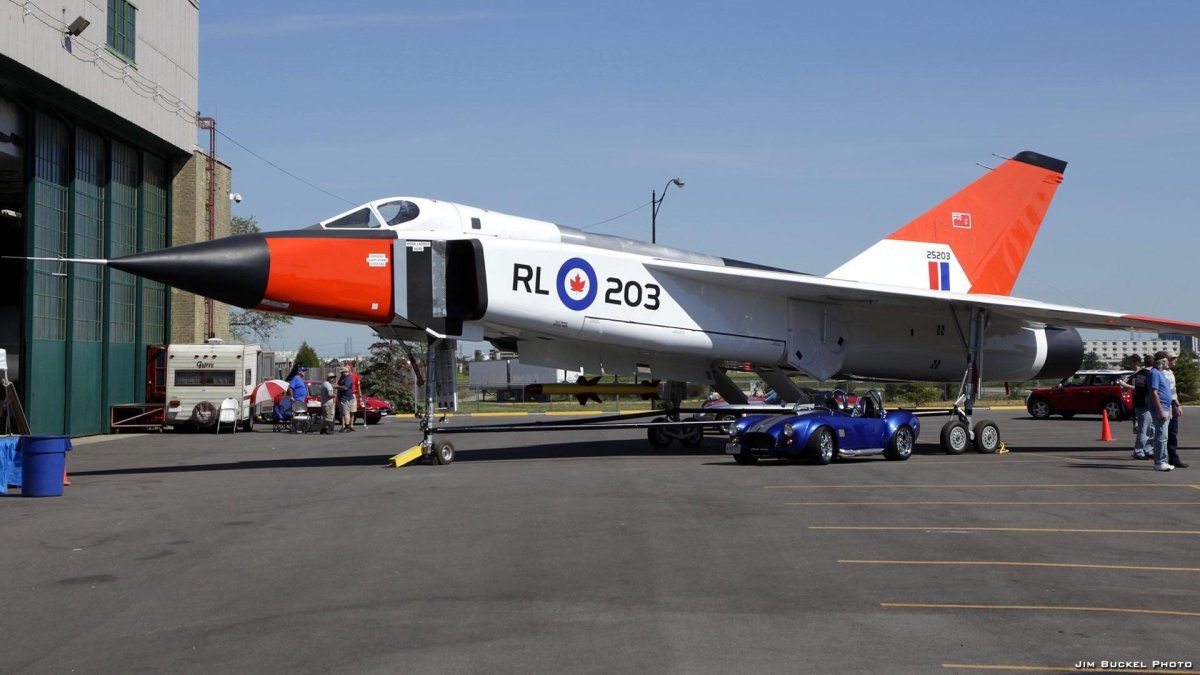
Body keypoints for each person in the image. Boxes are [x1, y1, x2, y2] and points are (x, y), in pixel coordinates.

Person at [1121, 354, 1154, 460]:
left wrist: (1125, 385)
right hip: (1142, 404)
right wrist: (1125, 385)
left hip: (1150, 404)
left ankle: (1148, 449)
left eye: (1131, 362)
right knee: (1144, 429)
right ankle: (1139, 451)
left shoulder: (1145, 373)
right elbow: (1138, 388)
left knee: (1151, 429)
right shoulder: (1140, 374)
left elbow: (1133, 388)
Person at [1146, 354, 1174, 471]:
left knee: (1164, 436)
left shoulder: (1161, 373)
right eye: (1167, 360)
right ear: (1162, 361)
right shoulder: (1154, 373)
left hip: (1166, 408)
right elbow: (1154, 393)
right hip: (1160, 409)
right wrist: (1161, 410)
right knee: (1161, 436)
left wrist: (1170, 408)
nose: (1169, 362)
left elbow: (1166, 392)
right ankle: (1160, 462)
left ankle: (1163, 461)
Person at [1163, 350, 1188, 469]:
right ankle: (1162, 459)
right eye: (1172, 358)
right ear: (1167, 360)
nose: (1175, 360)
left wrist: (1178, 404)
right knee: (1164, 434)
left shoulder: (1170, 372)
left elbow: (1173, 390)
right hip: (1165, 404)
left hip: (1172, 403)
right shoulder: (1161, 373)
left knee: (1173, 432)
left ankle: (1173, 458)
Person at [336, 366, 356, 432]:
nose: (341, 373)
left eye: (342, 372)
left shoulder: (348, 378)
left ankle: (347, 427)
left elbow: (345, 387)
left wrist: (337, 387)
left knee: (346, 413)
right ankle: (346, 427)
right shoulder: (343, 378)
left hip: (346, 398)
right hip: (343, 397)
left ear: (346, 372)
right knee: (344, 413)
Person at [345, 360, 363, 429]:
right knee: (345, 411)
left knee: (352, 411)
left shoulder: (355, 376)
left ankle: (351, 425)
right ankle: (344, 426)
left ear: (350, 368)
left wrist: (360, 396)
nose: (346, 369)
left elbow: (358, 387)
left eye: (347, 368)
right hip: (345, 395)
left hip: (352, 395)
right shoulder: (343, 376)